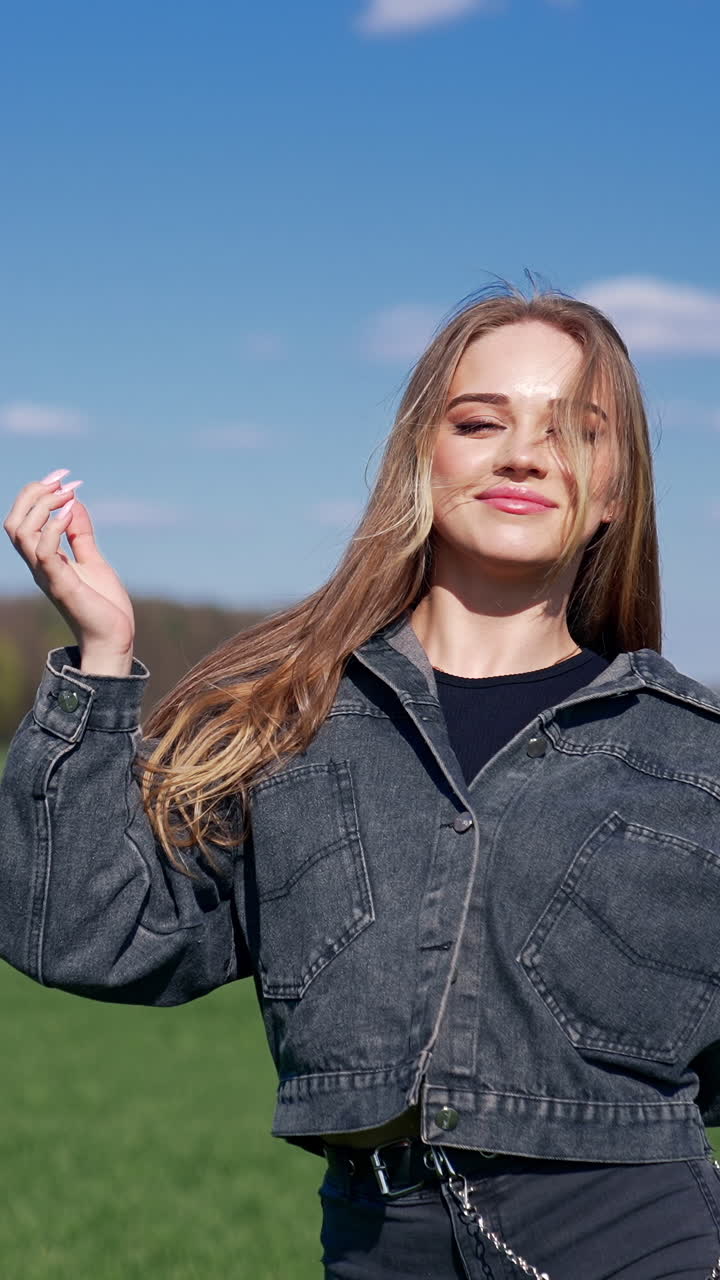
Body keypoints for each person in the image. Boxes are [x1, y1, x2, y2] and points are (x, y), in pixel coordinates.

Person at [3, 281, 720, 1280]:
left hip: (638, 1240)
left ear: (613, 491)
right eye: (481, 421)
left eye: (576, 430)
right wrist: (104, 655)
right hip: (383, 1246)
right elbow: (77, 928)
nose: (525, 453)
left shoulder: (697, 754)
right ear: (422, 458)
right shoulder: (289, 720)